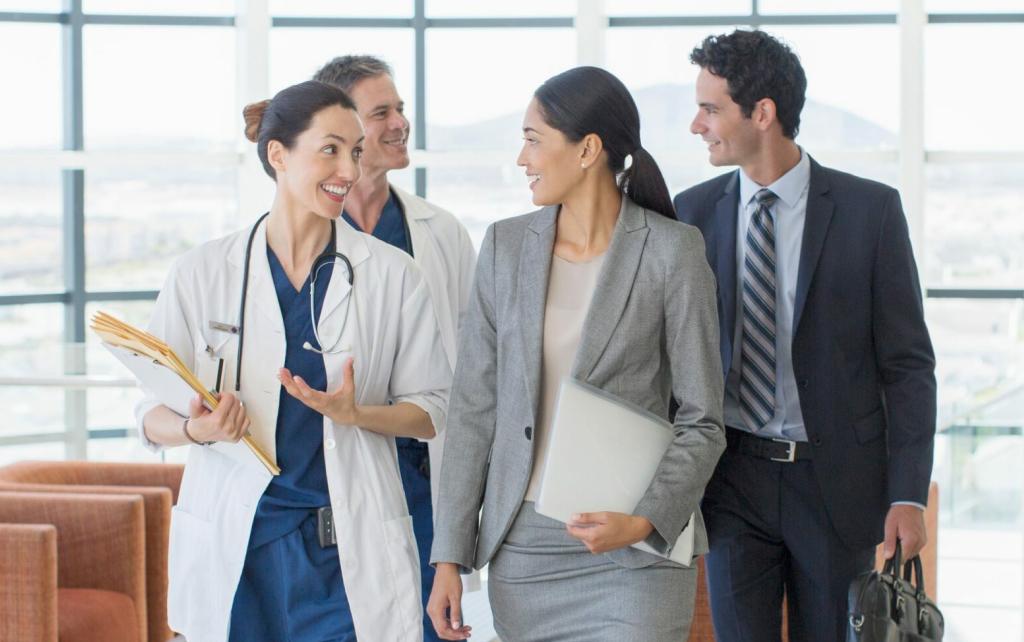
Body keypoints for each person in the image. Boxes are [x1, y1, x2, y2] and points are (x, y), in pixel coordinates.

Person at [135, 80, 451, 642]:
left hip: (346, 557)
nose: (348, 170)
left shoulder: (392, 274)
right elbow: (150, 416)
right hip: (239, 551)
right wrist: (197, 428)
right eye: (329, 149)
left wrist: (358, 414)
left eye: (355, 151)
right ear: (278, 155)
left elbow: (432, 410)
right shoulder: (203, 271)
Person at [427, 66, 726, 642]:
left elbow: (703, 419)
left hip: (636, 554)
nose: (522, 158)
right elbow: (472, 411)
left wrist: (644, 520)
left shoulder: (672, 251)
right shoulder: (506, 247)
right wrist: (449, 559)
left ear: (588, 149)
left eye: (534, 139)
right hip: (524, 554)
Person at [673, 30, 937, 642]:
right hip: (732, 481)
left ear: (761, 113)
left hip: (835, 482)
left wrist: (909, 495)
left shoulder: (869, 212)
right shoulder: (692, 213)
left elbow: (908, 366)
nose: (696, 124)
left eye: (710, 108)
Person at [313, 55, 478, 640]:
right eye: (381, 111)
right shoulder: (304, 237)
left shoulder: (441, 232)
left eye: (400, 109)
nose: (399, 123)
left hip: (426, 481)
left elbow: (470, 371)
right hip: (336, 487)